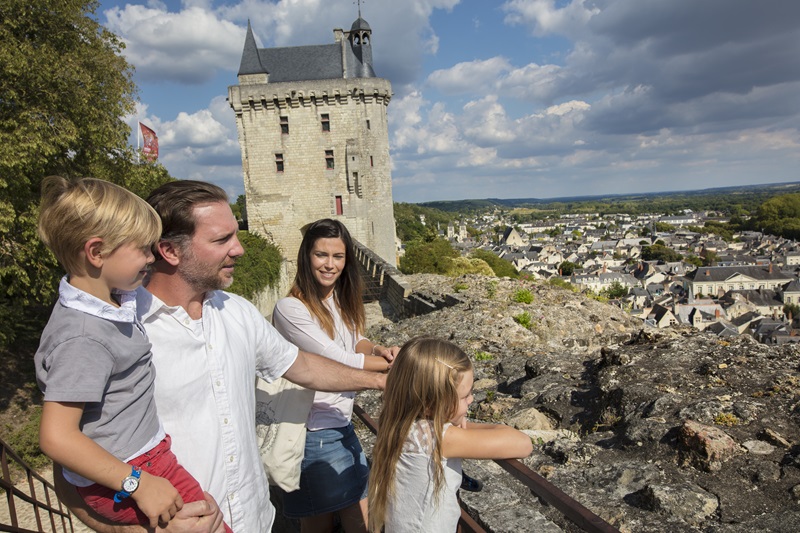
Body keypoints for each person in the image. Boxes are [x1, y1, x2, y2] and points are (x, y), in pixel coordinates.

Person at [53, 180, 386, 533]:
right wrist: (134, 530)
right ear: (170, 250)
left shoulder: (237, 312)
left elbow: (301, 366)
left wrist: (380, 381)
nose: (239, 249)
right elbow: (67, 460)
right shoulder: (117, 329)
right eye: (221, 239)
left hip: (256, 521)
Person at [34, 176, 229, 532]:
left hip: (145, 459)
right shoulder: (83, 336)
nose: (152, 257)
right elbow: (56, 437)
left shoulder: (109, 303)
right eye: (142, 249)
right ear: (96, 253)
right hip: (135, 470)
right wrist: (138, 483)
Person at [272, 219, 399, 532]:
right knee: (332, 525)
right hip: (312, 432)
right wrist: (399, 368)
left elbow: (356, 341)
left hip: (339, 424)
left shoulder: (338, 299)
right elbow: (335, 359)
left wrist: (380, 350)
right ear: (306, 256)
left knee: (358, 522)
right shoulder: (290, 309)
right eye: (321, 255)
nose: (330, 264)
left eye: (338, 256)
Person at [368, 337, 533, 533]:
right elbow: (523, 444)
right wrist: (460, 426)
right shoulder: (439, 438)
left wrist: (450, 419)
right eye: (464, 396)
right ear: (430, 405)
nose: (471, 400)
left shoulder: (399, 423)